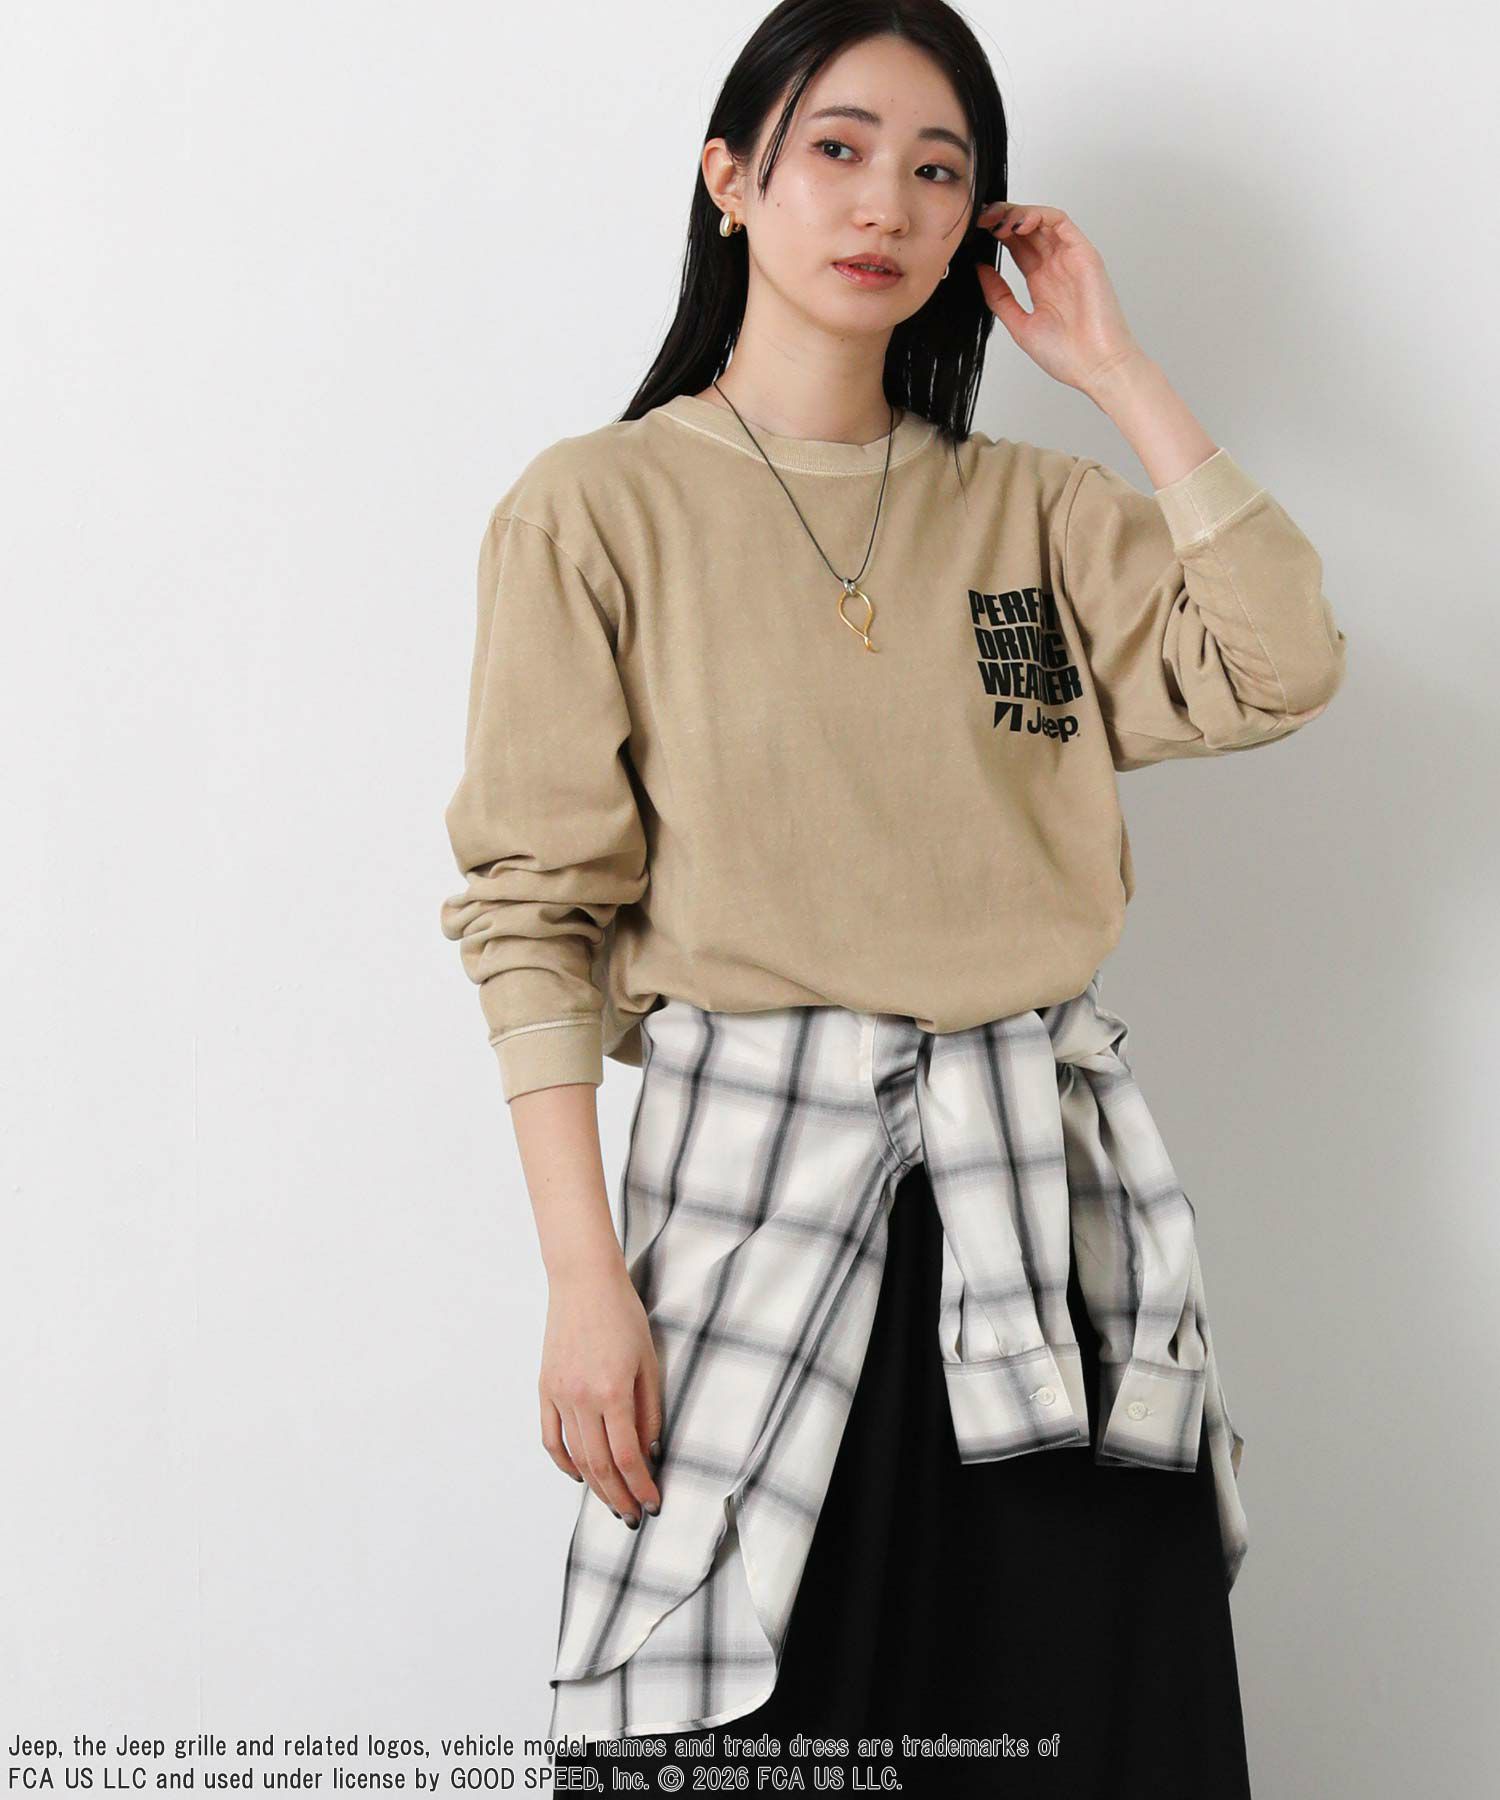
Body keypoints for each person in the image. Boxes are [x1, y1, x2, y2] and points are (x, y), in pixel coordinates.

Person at [439, 1, 1348, 1791]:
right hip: (753, 1214)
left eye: (940, 172)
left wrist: (1117, 370)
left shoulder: (1034, 512)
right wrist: (582, 1279)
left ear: (974, 223)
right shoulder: (596, 509)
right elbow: (532, 911)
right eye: (838, 150)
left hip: (1042, 1234)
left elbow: (1280, 663)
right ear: (731, 180)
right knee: (730, 1723)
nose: (886, 204)